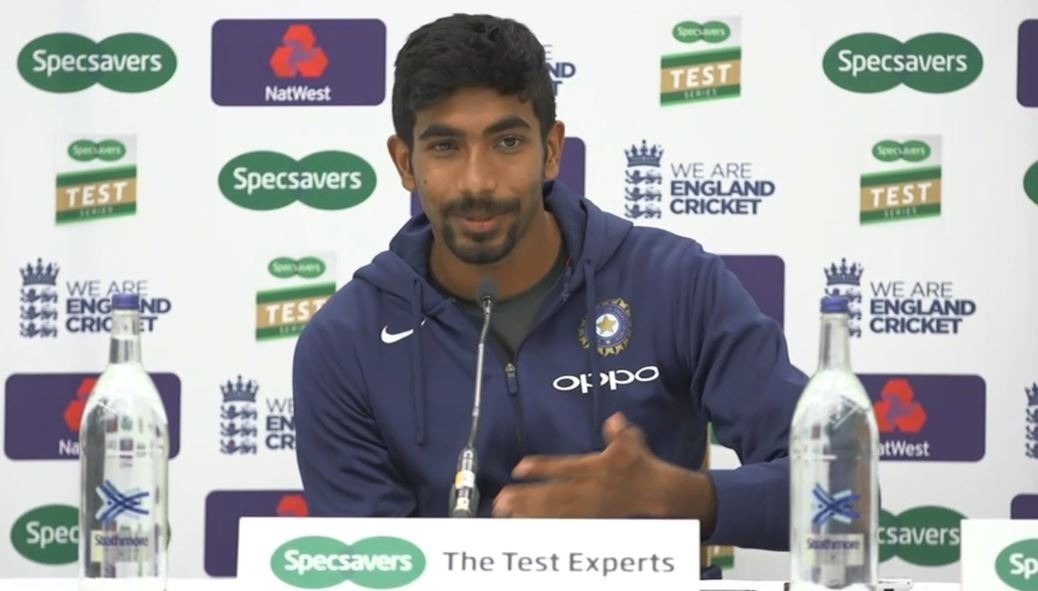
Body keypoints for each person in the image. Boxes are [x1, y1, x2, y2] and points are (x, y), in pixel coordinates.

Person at [292, 12, 808, 563]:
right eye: (444, 146)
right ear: (405, 163)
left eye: (508, 141)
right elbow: (372, 568)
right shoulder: (346, 342)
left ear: (553, 150)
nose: (477, 181)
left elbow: (844, 493)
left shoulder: (675, 281)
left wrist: (678, 498)